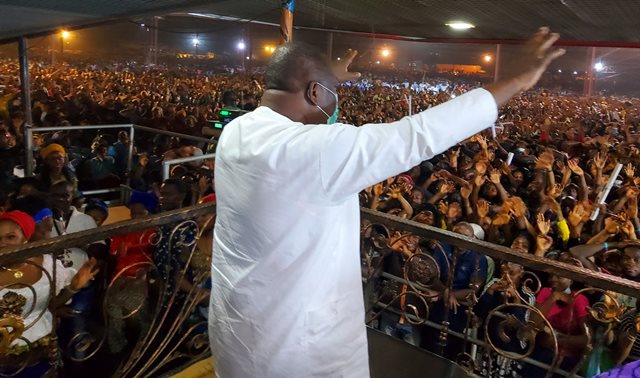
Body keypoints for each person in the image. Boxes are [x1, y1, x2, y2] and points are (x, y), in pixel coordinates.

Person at [209, 28, 565, 377]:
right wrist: (515, 80)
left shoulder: (238, 131)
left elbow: (303, 90)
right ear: (315, 92)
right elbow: (418, 135)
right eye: (333, 96)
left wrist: (326, 77)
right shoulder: (315, 150)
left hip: (238, 329)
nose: (335, 110)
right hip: (296, 349)